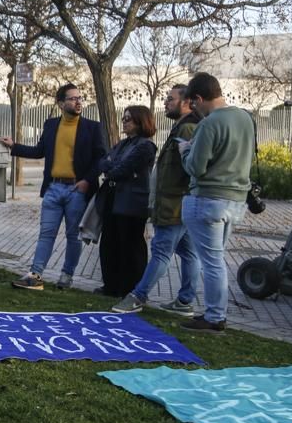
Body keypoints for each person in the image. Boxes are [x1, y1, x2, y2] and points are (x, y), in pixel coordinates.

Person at [0, 83, 108, 290]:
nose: (78, 102)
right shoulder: (50, 125)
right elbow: (40, 151)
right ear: (60, 103)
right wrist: (14, 147)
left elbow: (101, 158)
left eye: (80, 98)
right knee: (46, 233)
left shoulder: (92, 127)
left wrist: (86, 181)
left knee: (73, 236)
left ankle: (66, 276)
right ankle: (35, 275)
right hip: (53, 188)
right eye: (73, 98)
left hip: (77, 191)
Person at [113, 85, 203, 314]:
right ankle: (184, 301)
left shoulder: (187, 129)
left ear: (187, 102)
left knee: (162, 251)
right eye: (166, 98)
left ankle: (138, 296)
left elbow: (190, 168)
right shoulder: (182, 127)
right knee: (189, 253)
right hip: (179, 204)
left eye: (171, 99)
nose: (165, 102)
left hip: (175, 206)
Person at [179, 72, 254, 333]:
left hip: (208, 199)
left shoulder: (209, 124)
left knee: (212, 262)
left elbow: (196, 168)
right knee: (217, 259)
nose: (194, 110)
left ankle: (214, 316)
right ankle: (215, 313)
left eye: (193, 104)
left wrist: (185, 150)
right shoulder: (245, 118)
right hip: (235, 200)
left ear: (199, 98)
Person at [93, 105, 158, 298]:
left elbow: (121, 169)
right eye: (124, 118)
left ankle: (130, 288)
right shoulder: (122, 144)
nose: (124, 121)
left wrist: (113, 166)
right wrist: (112, 165)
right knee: (109, 244)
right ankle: (111, 285)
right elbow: (103, 162)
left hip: (132, 204)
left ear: (140, 121)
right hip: (113, 200)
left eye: (128, 119)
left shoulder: (145, 146)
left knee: (130, 246)